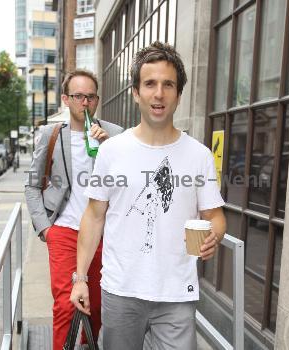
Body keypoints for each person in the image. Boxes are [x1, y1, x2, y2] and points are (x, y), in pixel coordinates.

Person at [70, 42, 227, 350]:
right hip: (121, 290)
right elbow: (94, 215)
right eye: (150, 84)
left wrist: (215, 237)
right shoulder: (112, 151)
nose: (159, 93)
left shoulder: (199, 156)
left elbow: (215, 215)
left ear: (178, 95)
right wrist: (80, 278)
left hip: (177, 293)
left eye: (168, 85)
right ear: (135, 92)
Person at [25, 69, 123, 350]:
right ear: (66, 99)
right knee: (66, 306)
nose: (85, 102)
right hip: (64, 232)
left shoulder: (115, 135)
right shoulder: (51, 134)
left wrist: (108, 147)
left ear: (97, 101)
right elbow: (32, 186)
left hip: (103, 236)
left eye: (90, 97)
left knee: (98, 306)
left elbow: (127, 185)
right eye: (78, 96)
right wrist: (46, 229)